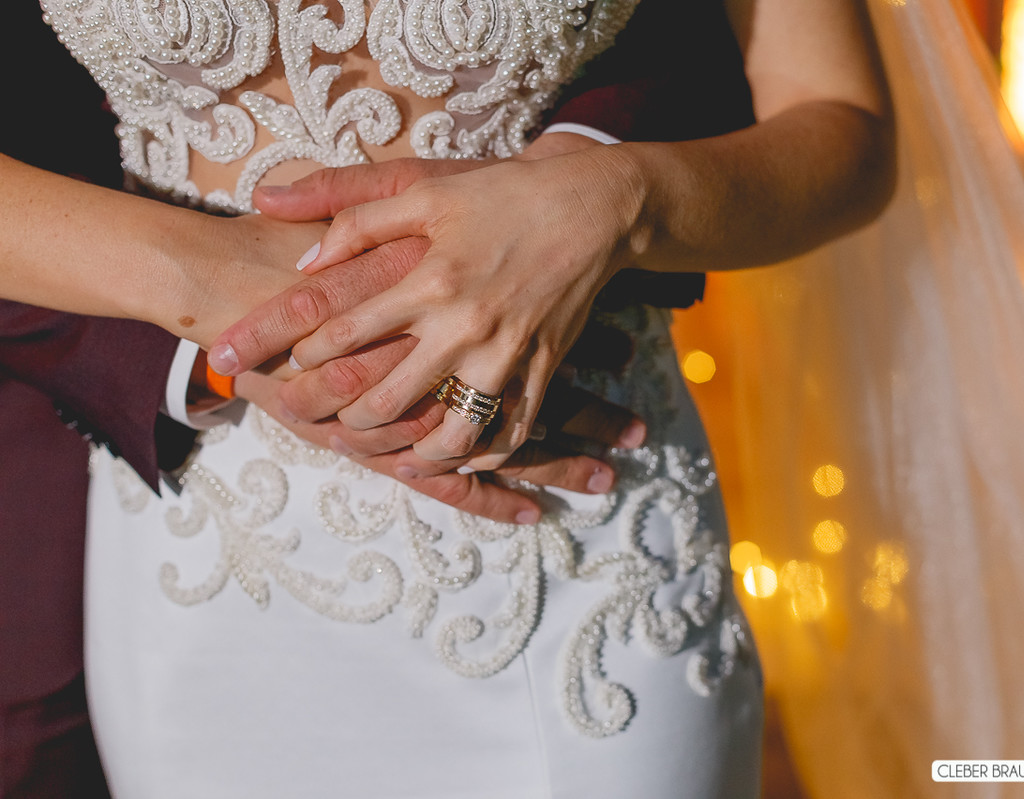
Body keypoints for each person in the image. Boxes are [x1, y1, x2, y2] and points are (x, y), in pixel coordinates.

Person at [16, 0, 882, 795]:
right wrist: (211, 289)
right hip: (216, 559)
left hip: (569, 538)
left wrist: (619, 199)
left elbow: (844, 127)